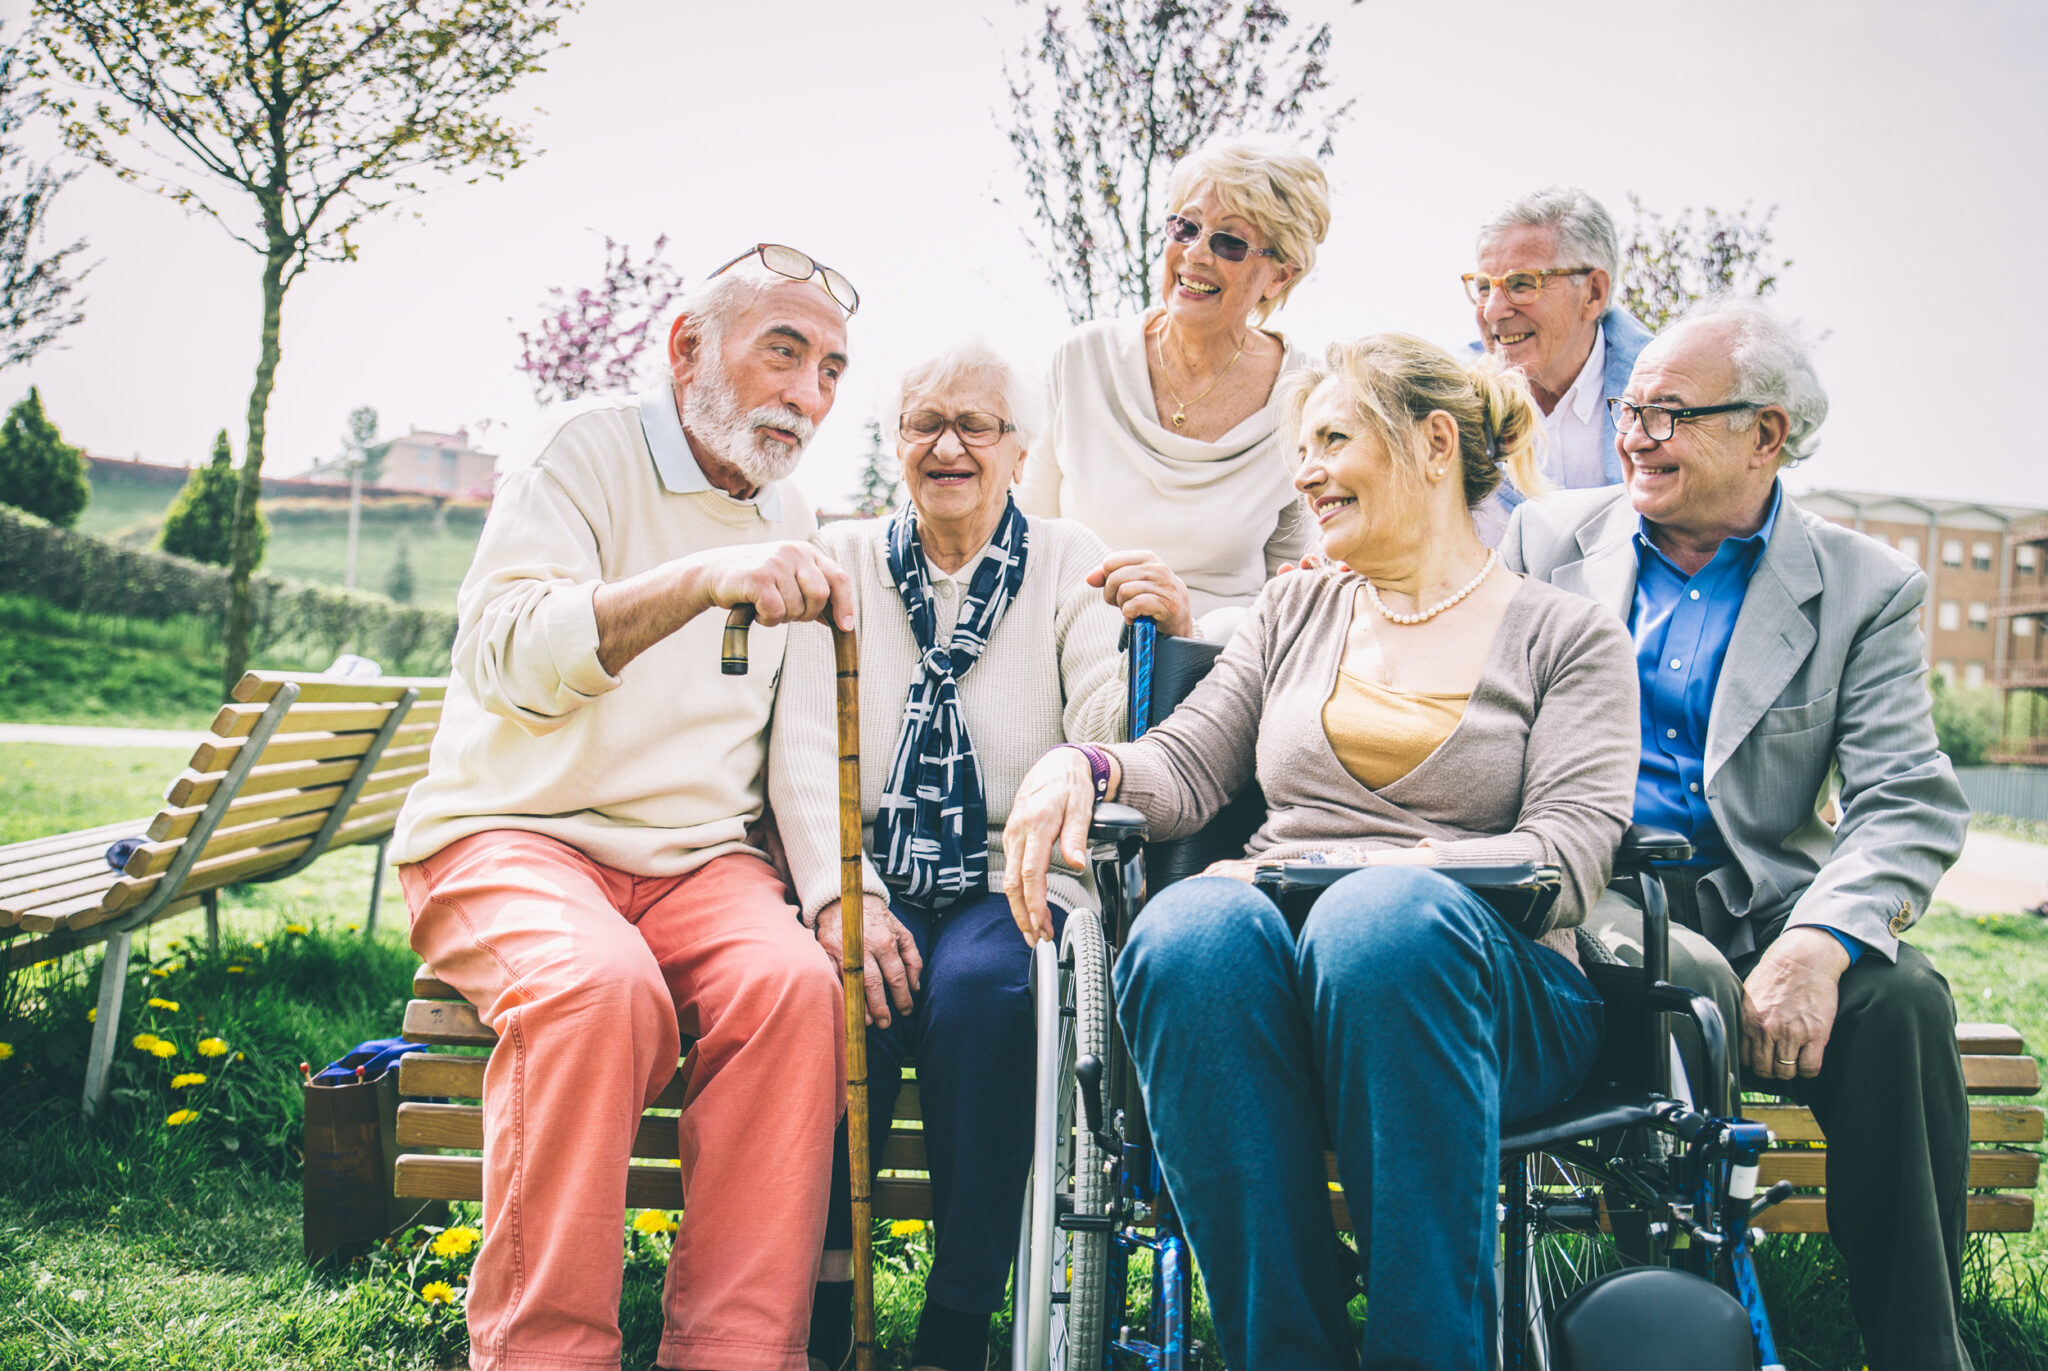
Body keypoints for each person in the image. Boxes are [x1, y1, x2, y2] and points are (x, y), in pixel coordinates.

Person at [1005, 334, 1641, 1370]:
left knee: (1376, 924)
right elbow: (1186, 764)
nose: (1301, 471)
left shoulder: (1565, 637)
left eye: (1330, 439)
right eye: (1298, 445)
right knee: (1189, 930)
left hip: (1485, 990)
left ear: (1433, 445)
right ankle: (1282, 1349)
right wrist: (1082, 766)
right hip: (1284, 989)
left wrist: (1349, 873)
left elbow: (1564, 859)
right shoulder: (1292, 609)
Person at [391, 248, 862, 1371]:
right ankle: (544, 1352)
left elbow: (792, 742)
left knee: (795, 992)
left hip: (698, 863)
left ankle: (737, 1353)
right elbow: (505, 656)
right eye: (782, 353)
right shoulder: (581, 449)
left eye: (831, 369)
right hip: (516, 833)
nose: (807, 393)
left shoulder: (792, 504)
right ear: (688, 350)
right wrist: (701, 578)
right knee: (597, 994)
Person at [1500, 297, 1973, 1371]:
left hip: (1769, 903)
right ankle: (1686, 1335)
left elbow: (1904, 797)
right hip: (1598, 891)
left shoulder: (1865, 587)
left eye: (1669, 414)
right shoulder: (1544, 541)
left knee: (1902, 1001)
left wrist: (1820, 941)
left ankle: (1920, 1352)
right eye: (1629, 409)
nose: (1634, 434)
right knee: (1691, 984)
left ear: (1766, 434)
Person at [770, 342, 1126, 1371]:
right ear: (893, 447)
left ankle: (959, 1317)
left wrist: (1140, 642)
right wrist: (847, 898)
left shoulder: (1067, 558)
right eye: (924, 423)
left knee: (986, 994)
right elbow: (798, 746)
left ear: (1019, 451)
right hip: (866, 865)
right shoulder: (832, 556)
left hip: (1012, 868)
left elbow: (1101, 713)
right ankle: (828, 1308)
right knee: (840, 997)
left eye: (975, 425)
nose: (948, 445)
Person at [1017, 137, 1332, 641]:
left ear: (1279, 276)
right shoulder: (1081, 361)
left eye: (1229, 243)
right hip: (1083, 647)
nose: (1195, 254)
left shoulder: (1307, 394)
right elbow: (1027, 535)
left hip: (1226, 663)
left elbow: (1294, 584)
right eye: (1185, 227)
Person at [1465, 186, 1655, 545]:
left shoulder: (1672, 398)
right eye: (1484, 288)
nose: (1492, 311)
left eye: (1521, 284)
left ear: (1593, 293)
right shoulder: (1450, 399)